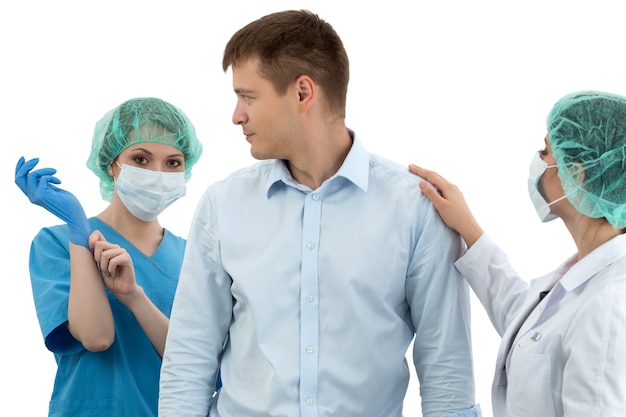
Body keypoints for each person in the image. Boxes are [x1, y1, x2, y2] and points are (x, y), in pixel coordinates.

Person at [159, 9, 481, 417]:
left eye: (248, 96)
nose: (237, 115)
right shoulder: (224, 204)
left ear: (302, 93)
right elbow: (190, 355)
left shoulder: (415, 207)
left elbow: (446, 368)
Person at [410, 90, 626, 416]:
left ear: (578, 174)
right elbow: (530, 327)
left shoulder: (608, 307)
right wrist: (469, 229)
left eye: (547, 151)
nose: (537, 162)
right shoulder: (586, 277)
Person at [14, 97, 208, 417]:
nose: (157, 173)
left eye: (173, 162)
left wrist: (133, 297)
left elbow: (197, 365)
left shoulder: (195, 256)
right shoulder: (57, 243)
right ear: (111, 164)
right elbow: (97, 337)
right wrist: (79, 232)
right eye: (141, 159)